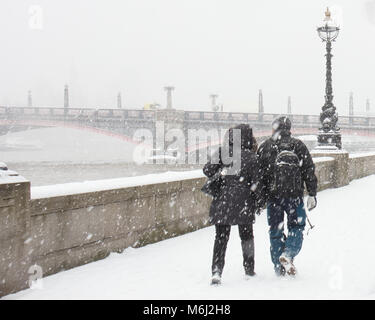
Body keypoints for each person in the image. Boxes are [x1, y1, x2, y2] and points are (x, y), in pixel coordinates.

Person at [203, 124, 264, 285]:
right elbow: (258, 184)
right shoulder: (252, 157)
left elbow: (207, 170)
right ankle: (249, 269)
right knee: (247, 237)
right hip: (244, 202)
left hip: (223, 202)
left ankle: (216, 271)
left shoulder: (223, 152)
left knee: (221, 238)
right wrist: (259, 203)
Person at [257, 116, 318, 277]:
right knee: (296, 227)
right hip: (294, 196)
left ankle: (279, 266)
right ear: (289, 129)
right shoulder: (298, 146)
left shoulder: (266, 146)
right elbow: (309, 171)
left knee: (275, 231)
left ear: (274, 128)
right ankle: (289, 253)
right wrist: (312, 193)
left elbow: (259, 176)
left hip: (273, 196)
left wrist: (260, 198)